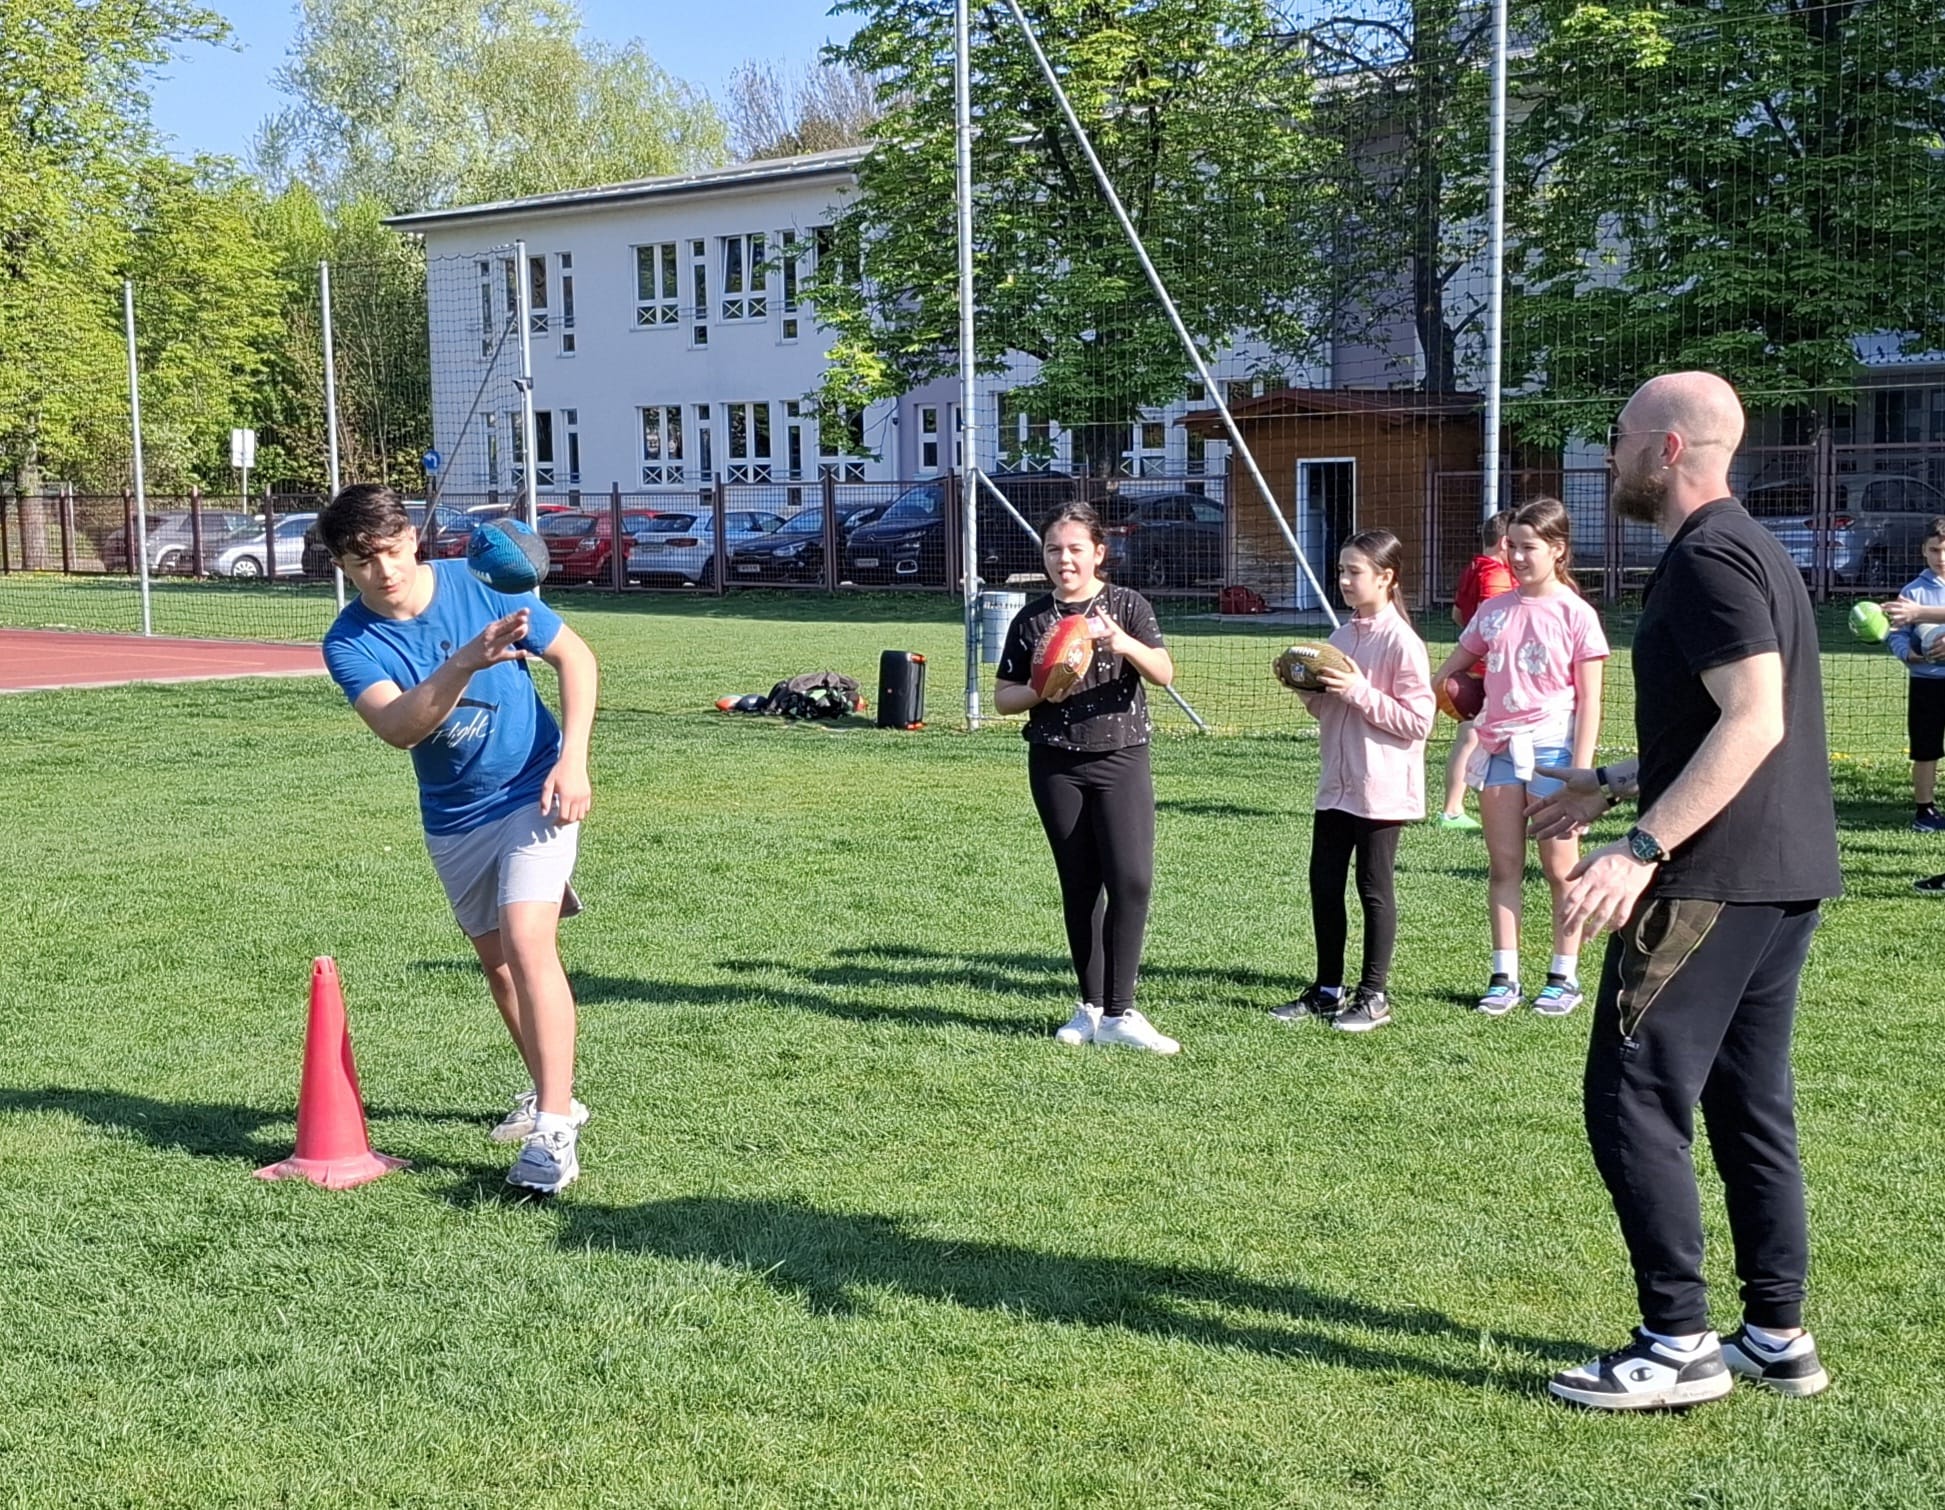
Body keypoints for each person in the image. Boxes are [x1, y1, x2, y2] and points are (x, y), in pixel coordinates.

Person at [1529, 372, 1841, 1410]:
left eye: (1618, 438)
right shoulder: (1752, 548)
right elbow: (1717, 719)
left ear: (1666, 448)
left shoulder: (1707, 556)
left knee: (1630, 1094)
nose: (1608, 456)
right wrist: (1612, 779)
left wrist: (1641, 844)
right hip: (1777, 875)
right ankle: (1774, 1333)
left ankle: (1675, 1343)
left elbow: (1754, 718)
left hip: (1708, 876)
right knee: (1749, 1104)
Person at [319, 484, 599, 1194]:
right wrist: (462, 663)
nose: (381, 571)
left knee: (529, 939)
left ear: (412, 538)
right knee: (499, 964)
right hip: (454, 815)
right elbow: (398, 729)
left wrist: (573, 759)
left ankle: (555, 1132)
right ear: (341, 566)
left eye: (388, 551)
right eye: (360, 561)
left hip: (535, 786)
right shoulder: (349, 641)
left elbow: (578, 659)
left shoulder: (482, 586)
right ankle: (547, 1091)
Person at [994, 502, 1179, 1054]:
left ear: (1099, 553)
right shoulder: (1031, 620)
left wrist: (1120, 642)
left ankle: (1123, 1013)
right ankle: (1091, 1008)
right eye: (1054, 549)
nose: (1064, 559)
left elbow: (1165, 673)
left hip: (1122, 756)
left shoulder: (1129, 605)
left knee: (1131, 880)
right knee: (1080, 885)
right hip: (1056, 763)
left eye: (1075, 548)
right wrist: (1042, 687)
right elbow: (1005, 697)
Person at [1432, 498, 1608, 1017]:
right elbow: (1449, 672)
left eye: (1529, 547)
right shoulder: (1494, 611)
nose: (1516, 556)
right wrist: (1450, 691)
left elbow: (1590, 699)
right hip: (1502, 749)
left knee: (1561, 870)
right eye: (1511, 545)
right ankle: (1504, 975)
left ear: (1557, 550)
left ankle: (1563, 976)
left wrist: (1583, 773)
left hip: (1555, 752)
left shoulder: (1577, 614)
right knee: (1504, 864)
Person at [1270, 529, 1434, 1032]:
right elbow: (1329, 712)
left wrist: (1360, 691)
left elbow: (1418, 722)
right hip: (1337, 785)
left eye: (1354, 571)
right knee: (1324, 883)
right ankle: (1326, 989)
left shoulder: (1402, 642)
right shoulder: (1340, 638)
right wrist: (1304, 688)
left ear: (1386, 577)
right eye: (1340, 570)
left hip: (1381, 790)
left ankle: (1374, 995)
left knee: (1373, 887)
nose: (1343, 580)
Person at [1435, 511, 1516, 832]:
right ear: (1505, 542)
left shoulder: (1474, 568)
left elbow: (1458, 615)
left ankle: (1457, 809)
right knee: (1471, 737)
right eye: (1518, 544)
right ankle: (1452, 811)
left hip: (1477, 667)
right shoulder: (1495, 575)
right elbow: (1497, 627)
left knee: (1474, 737)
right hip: (1488, 672)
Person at [1884, 517, 1945, 833]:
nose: (1941, 558)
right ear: (1924, 550)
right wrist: (1908, 653)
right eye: (1935, 550)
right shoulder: (1913, 592)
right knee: (1925, 747)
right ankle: (1925, 811)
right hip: (1927, 681)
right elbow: (1897, 633)